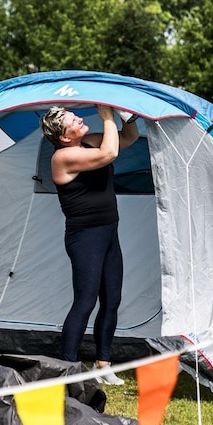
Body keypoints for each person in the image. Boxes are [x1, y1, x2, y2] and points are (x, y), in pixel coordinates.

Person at [40, 104, 139, 384]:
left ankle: (103, 364)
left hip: (109, 232)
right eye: (74, 120)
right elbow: (109, 153)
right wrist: (106, 114)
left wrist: (125, 115)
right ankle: (67, 371)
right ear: (63, 136)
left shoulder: (86, 142)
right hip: (85, 237)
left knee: (112, 300)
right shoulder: (63, 157)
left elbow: (127, 139)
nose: (81, 119)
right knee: (85, 302)